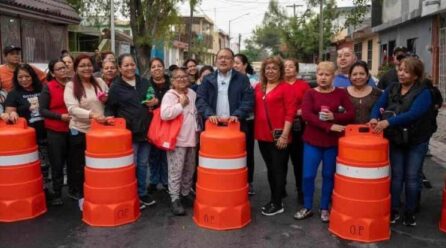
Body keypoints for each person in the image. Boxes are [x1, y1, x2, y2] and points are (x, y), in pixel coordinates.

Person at [369, 57, 433, 227]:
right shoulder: (392, 88)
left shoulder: (424, 92)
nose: (401, 73)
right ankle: (394, 210)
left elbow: (414, 114)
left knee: (412, 177)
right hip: (396, 139)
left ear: (415, 75)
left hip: (416, 140)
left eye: (406, 71)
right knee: (396, 176)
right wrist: (374, 118)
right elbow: (378, 104)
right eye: (400, 69)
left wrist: (388, 122)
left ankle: (410, 212)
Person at [295, 61, 355, 222]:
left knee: (328, 175)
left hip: (332, 143)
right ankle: (307, 207)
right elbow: (306, 115)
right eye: (320, 74)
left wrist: (334, 116)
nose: (323, 78)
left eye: (327, 75)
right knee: (308, 176)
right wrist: (329, 126)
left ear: (333, 77)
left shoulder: (340, 93)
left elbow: (351, 113)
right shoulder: (310, 93)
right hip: (312, 141)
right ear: (316, 75)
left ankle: (324, 208)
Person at [105, 54, 157, 209]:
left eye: (132, 64)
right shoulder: (115, 87)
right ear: (120, 68)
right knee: (131, 164)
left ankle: (142, 193)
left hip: (146, 130)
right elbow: (109, 108)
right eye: (126, 65)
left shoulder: (144, 82)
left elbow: (153, 98)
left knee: (142, 164)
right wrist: (110, 122)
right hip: (128, 133)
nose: (130, 68)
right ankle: (131, 194)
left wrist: (154, 101)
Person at [254, 56, 296, 216]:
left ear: (280, 71)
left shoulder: (286, 88)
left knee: (278, 169)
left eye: (274, 68)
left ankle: (277, 203)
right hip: (262, 135)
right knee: (271, 168)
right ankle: (277, 195)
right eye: (268, 68)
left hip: (280, 136)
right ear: (264, 71)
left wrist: (285, 135)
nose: (270, 71)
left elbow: (290, 113)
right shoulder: (259, 87)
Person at [64, 54, 109, 201]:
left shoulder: (100, 81)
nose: (86, 68)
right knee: (79, 163)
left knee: (97, 163)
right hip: (80, 130)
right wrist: (92, 115)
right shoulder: (71, 85)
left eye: (89, 65)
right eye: (82, 65)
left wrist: (106, 99)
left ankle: (96, 188)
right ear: (76, 68)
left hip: (99, 131)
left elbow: (107, 99)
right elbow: (72, 109)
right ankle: (79, 192)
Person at [160, 68, 199, 216]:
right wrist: (180, 105)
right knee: (176, 170)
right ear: (172, 81)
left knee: (189, 169)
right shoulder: (170, 95)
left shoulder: (193, 93)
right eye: (178, 77)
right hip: (177, 140)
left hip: (192, 138)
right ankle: (174, 198)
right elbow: (165, 114)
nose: (182, 79)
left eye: (184, 76)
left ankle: (185, 193)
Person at [3, 63, 49, 182]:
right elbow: (9, 114)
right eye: (20, 77)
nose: (24, 80)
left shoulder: (43, 89)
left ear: (33, 76)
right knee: (35, 167)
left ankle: (54, 192)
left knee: (51, 165)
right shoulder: (13, 94)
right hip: (29, 137)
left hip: (49, 132)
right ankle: (41, 190)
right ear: (16, 79)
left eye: (27, 76)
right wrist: (12, 114)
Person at [39, 59, 72, 206]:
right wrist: (60, 117)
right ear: (53, 73)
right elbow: (43, 110)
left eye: (64, 67)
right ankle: (57, 193)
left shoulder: (73, 85)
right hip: (55, 130)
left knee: (73, 162)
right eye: (59, 69)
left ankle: (74, 189)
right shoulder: (49, 87)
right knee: (57, 163)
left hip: (73, 129)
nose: (63, 70)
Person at [196, 48, 253, 126]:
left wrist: (237, 115)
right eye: (220, 58)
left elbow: (248, 100)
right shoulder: (207, 79)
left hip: (235, 124)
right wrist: (209, 114)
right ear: (216, 62)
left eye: (227, 58)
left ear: (233, 61)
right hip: (213, 124)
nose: (223, 60)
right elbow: (200, 99)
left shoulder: (242, 79)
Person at [283, 58, 310, 204]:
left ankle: (301, 190)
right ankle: (281, 189)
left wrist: (299, 111)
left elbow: (309, 104)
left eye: (291, 66)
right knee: (281, 160)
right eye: (285, 66)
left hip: (299, 126)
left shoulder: (303, 85)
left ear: (296, 69)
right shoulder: (279, 85)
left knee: (298, 160)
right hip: (282, 126)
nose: (288, 69)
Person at [232, 53, 257, 195]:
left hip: (248, 121)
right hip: (232, 122)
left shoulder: (252, 82)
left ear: (245, 65)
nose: (235, 65)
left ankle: (249, 181)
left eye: (238, 62)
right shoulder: (229, 79)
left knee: (248, 152)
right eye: (233, 62)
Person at [147, 58, 170, 193]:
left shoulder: (171, 83)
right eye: (153, 67)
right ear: (150, 70)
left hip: (169, 123)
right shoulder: (146, 84)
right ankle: (154, 181)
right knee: (154, 154)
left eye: (159, 66)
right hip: (153, 124)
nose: (156, 69)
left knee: (167, 154)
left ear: (163, 67)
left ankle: (167, 181)